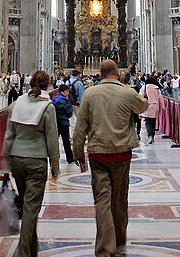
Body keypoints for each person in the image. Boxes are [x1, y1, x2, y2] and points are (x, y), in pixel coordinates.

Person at [73, 60, 149, 257]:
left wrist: (78, 153)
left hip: (98, 153)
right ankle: (120, 241)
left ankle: (106, 247)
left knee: (102, 200)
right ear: (117, 72)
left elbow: (80, 127)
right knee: (119, 200)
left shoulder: (90, 93)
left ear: (100, 73)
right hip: (122, 153)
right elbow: (142, 107)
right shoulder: (127, 92)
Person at [3, 71, 60, 257]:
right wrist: (56, 166)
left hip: (17, 161)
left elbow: (9, 136)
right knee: (30, 208)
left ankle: (31, 248)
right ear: (47, 85)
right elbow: (52, 140)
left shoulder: (16, 104)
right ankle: (24, 252)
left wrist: (5, 161)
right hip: (36, 161)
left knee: (29, 205)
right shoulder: (47, 107)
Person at [51, 83, 75, 163]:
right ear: (64, 91)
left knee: (54, 141)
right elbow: (69, 112)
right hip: (63, 123)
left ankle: (53, 158)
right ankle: (70, 158)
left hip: (55, 122)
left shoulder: (54, 99)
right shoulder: (65, 100)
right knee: (66, 141)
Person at [140, 74, 162, 142]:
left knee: (148, 121)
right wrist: (163, 107)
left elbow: (140, 97)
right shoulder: (156, 88)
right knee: (153, 121)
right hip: (155, 106)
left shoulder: (144, 87)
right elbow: (160, 98)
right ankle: (152, 135)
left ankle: (150, 135)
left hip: (147, 106)